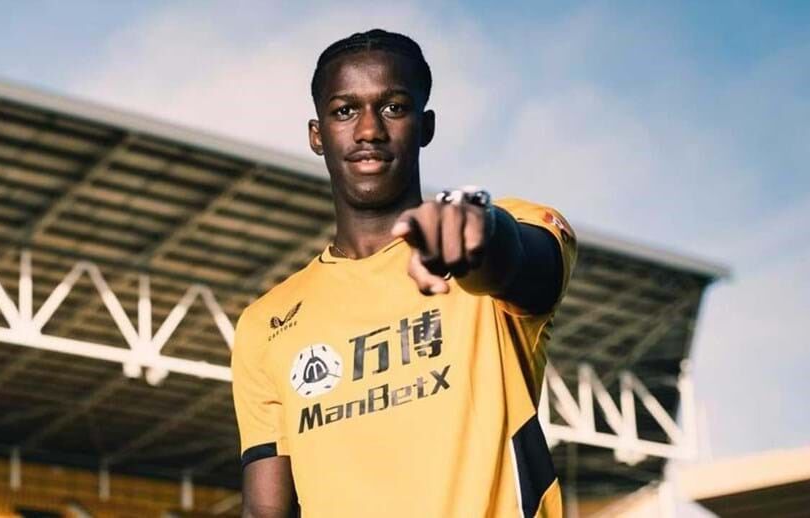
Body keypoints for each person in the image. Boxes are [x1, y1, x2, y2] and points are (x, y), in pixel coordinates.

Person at [232, 29, 577, 518]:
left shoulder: (493, 233)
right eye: (344, 110)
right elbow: (265, 511)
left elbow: (518, 261)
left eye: (393, 107)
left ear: (425, 126)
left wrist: (478, 232)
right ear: (317, 134)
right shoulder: (265, 323)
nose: (369, 130)